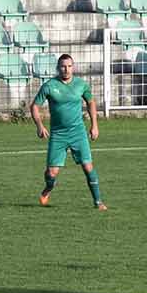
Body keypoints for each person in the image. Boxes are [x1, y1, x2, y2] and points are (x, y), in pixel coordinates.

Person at [31, 53, 104, 210]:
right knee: (51, 173)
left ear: (73, 67)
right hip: (58, 134)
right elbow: (35, 106)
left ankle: (98, 202)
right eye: (63, 66)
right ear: (58, 68)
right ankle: (48, 188)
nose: (67, 69)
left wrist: (94, 125)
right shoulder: (49, 86)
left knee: (88, 167)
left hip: (78, 133)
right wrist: (39, 125)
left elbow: (91, 102)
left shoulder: (81, 84)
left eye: (69, 66)